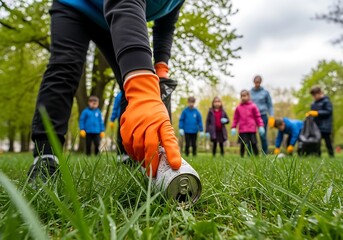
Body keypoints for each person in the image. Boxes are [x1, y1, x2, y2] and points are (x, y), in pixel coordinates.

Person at [28, 0, 185, 181]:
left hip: (109, 18)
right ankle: (46, 155)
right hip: (74, 5)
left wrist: (161, 69)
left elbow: (165, 27)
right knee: (65, 67)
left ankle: (129, 153)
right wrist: (142, 82)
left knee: (128, 80)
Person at [231, 90, 265, 157]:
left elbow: (257, 117)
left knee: (254, 143)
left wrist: (261, 126)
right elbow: (235, 118)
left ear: (248, 96)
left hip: (251, 129)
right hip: (242, 129)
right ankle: (241, 156)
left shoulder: (253, 106)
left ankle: (257, 156)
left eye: (245, 96)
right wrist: (233, 127)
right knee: (242, 144)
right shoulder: (238, 107)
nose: (243, 97)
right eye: (242, 96)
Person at [306, 86, 334, 157]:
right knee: (317, 142)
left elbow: (329, 111)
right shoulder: (313, 103)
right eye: (313, 96)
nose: (314, 97)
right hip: (316, 126)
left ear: (320, 93)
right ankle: (317, 155)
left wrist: (317, 113)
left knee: (328, 141)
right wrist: (309, 114)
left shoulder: (326, 101)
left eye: (315, 95)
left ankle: (331, 155)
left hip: (325, 125)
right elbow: (312, 112)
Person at [250, 75, 274, 154]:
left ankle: (265, 153)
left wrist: (271, 116)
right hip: (252, 117)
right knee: (251, 135)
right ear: (254, 82)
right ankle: (252, 153)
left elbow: (270, 105)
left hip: (263, 115)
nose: (257, 84)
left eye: (258, 82)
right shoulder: (250, 92)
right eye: (256, 82)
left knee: (263, 135)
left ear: (260, 82)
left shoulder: (265, 92)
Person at [109, 91, 128, 161]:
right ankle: (121, 155)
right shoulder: (119, 95)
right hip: (121, 118)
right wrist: (112, 119)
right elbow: (115, 107)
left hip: (132, 117)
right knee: (121, 135)